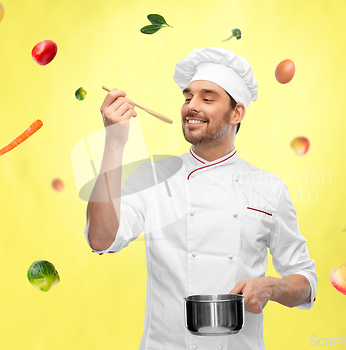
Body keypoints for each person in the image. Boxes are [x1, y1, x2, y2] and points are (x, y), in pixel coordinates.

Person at [85, 47, 317, 350]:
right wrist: (115, 142)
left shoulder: (268, 188)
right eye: (187, 97)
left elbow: (305, 282)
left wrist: (274, 287)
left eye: (207, 98)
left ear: (237, 113)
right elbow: (100, 239)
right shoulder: (155, 177)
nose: (191, 106)